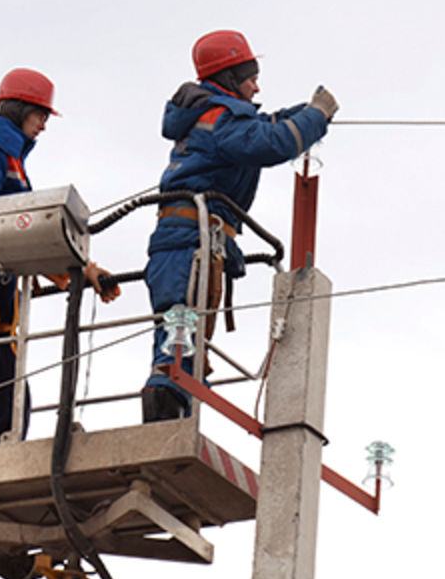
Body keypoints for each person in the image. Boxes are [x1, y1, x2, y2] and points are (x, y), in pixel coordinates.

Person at [140, 30, 339, 422]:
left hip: (192, 238)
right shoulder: (220, 119)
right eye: (250, 77)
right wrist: (315, 116)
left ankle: (180, 400)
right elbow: (267, 143)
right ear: (231, 77)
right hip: (187, 238)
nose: (256, 85)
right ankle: (164, 415)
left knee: (185, 331)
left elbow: (265, 126)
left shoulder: (216, 115)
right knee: (176, 335)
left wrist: (310, 112)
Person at [0, 68, 120, 453]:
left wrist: (82, 269)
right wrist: (27, 223)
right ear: (20, 109)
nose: (44, 126)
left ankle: (5, 442)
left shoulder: (11, 158)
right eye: (41, 116)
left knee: (9, 371)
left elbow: (26, 236)